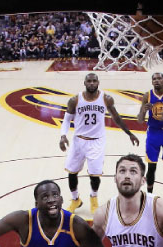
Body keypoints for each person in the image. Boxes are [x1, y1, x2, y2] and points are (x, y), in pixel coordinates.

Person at [59, 73, 140, 214]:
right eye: (89, 81)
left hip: (96, 141)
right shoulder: (74, 100)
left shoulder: (106, 99)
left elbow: (116, 118)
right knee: (72, 172)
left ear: (98, 82)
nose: (91, 83)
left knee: (95, 174)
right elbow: (66, 120)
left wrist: (129, 133)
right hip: (78, 140)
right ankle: (75, 199)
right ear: (84, 83)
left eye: (94, 81)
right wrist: (63, 136)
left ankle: (93, 198)